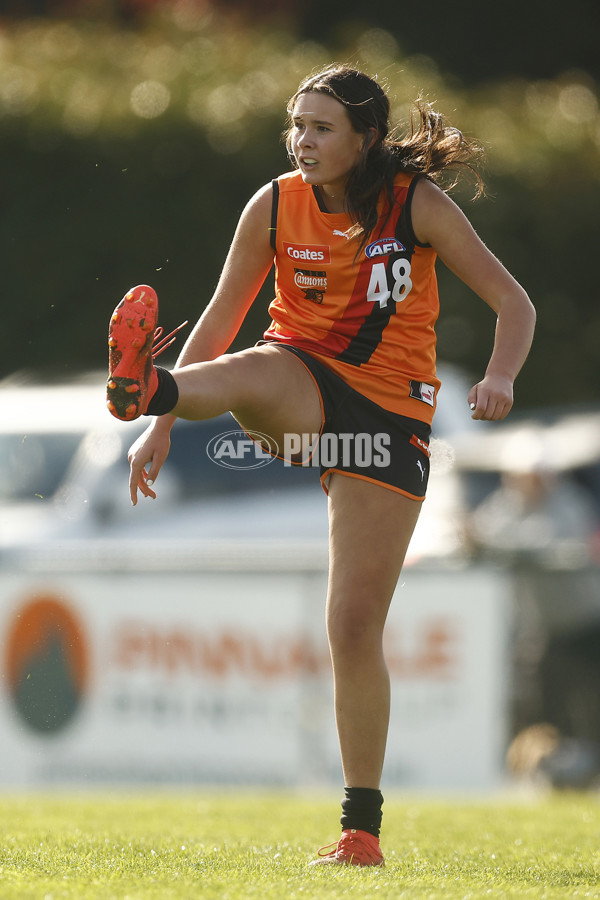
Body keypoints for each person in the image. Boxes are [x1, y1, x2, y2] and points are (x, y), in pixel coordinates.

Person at [106, 64, 536, 867]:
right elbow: (226, 315)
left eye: (322, 128)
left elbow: (516, 303)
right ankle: (149, 384)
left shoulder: (417, 205)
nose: (303, 141)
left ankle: (360, 833)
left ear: (367, 137)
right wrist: (161, 420)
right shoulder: (272, 204)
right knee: (253, 371)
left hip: (386, 422)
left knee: (352, 624)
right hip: (300, 382)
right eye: (296, 126)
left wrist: (500, 375)